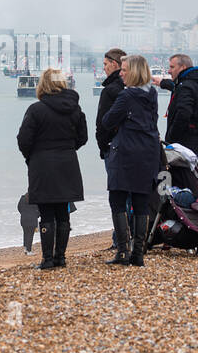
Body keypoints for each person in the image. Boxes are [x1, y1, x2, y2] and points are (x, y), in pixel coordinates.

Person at [17, 69, 88, 270]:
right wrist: (67, 148)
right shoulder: (75, 109)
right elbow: (83, 137)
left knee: (47, 213)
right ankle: (61, 258)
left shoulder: (36, 109)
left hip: (42, 164)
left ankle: (47, 259)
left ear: (43, 84)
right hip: (67, 161)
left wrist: (32, 156)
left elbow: (23, 140)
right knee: (63, 213)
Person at [100, 55, 163, 267]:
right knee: (141, 201)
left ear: (134, 72)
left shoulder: (126, 96)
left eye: (125, 70)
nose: (121, 73)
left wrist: (120, 123)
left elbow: (107, 121)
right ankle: (138, 253)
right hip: (148, 152)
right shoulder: (152, 93)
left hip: (126, 151)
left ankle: (123, 251)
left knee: (117, 199)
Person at [153, 53, 198, 170]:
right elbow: (181, 90)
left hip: (188, 144)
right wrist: (163, 83)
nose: (169, 71)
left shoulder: (186, 86)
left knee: (188, 181)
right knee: (196, 179)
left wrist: (171, 140)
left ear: (183, 68)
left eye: (172, 67)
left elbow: (183, 114)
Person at [94, 47, 128, 255]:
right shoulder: (133, 88)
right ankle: (129, 237)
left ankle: (120, 240)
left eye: (105, 64)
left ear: (115, 64)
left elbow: (104, 122)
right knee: (131, 194)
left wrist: (103, 145)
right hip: (132, 147)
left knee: (118, 194)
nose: (103, 68)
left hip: (114, 147)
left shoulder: (111, 90)